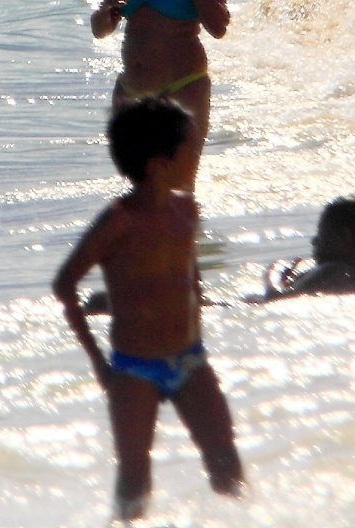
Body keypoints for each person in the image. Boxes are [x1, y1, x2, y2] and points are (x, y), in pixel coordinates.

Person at [52, 101, 244, 521]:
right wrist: (100, 364)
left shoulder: (186, 211)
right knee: (135, 476)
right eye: (191, 148)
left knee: (226, 462)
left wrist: (196, 311)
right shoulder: (119, 221)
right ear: (159, 164)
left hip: (190, 359)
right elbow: (65, 285)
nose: (198, 154)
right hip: (134, 367)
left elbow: (188, 275)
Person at [90, 0, 229, 190]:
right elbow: (101, 30)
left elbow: (218, 26)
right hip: (132, 90)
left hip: (184, 86)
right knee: (141, 194)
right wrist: (107, 5)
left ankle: (189, 238)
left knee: (180, 190)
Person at [254, 197, 355, 301]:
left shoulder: (334, 270)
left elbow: (275, 299)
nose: (314, 241)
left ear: (346, 237)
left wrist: (271, 276)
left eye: (322, 234)